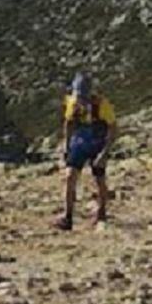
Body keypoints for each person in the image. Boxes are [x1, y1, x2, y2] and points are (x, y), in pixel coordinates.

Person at [54, 71, 116, 231]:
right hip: (80, 142)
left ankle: (102, 213)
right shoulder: (73, 103)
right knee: (70, 176)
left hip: (97, 142)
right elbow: (68, 123)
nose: (80, 99)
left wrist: (104, 153)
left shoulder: (102, 105)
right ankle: (67, 217)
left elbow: (112, 128)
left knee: (99, 179)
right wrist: (67, 146)